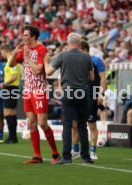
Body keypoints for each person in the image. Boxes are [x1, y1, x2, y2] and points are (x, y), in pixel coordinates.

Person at [10, 25, 60, 164]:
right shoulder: (24, 49)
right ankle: (37, 156)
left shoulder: (41, 50)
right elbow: (11, 64)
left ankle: (55, 154)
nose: (24, 37)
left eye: (26, 35)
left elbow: (38, 70)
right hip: (28, 91)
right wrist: (15, 52)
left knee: (42, 123)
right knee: (32, 123)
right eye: (23, 35)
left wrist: (27, 58)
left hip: (39, 91)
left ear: (33, 36)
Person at [45, 32, 95, 164]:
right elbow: (92, 78)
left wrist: (45, 62)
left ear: (67, 43)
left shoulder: (63, 55)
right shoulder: (87, 57)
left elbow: (48, 72)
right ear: (79, 43)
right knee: (82, 125)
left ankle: (67, 157)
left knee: (67, 125)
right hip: (83, 92)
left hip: (68, 91)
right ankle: (86, 156)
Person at [71, 41, 106, 160]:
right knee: (74, 124)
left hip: (92, 94)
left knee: (91, 124)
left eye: (79, 50)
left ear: (85, 50)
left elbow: (103, 79)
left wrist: (101, 94)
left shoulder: (96, 61)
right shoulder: (75, 62)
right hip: (78, 94)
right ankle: (75, 150)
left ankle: (92, 151)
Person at [0, 44, 21, 144]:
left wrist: (4, 83)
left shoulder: (11, 61)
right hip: (14, 88)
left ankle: (12, 137)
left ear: (4, 50)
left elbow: (14, 77)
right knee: (12, 112)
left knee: (8, 112)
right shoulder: (15, 61)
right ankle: (13, 137)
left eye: (1, 52)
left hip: (10, 88)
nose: (1, 55)